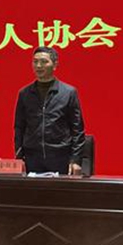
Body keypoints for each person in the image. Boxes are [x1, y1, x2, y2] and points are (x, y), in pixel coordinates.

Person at [14, 46, 86, 175]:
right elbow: (19, 127)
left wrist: (76, 160)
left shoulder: (68, 93)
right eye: (35, 62)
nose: (38, 66)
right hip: (32, 157)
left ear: (55, 64)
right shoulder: (25, 93)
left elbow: (77, 129)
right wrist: (19, 158)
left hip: (60, 156)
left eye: (44, 61)